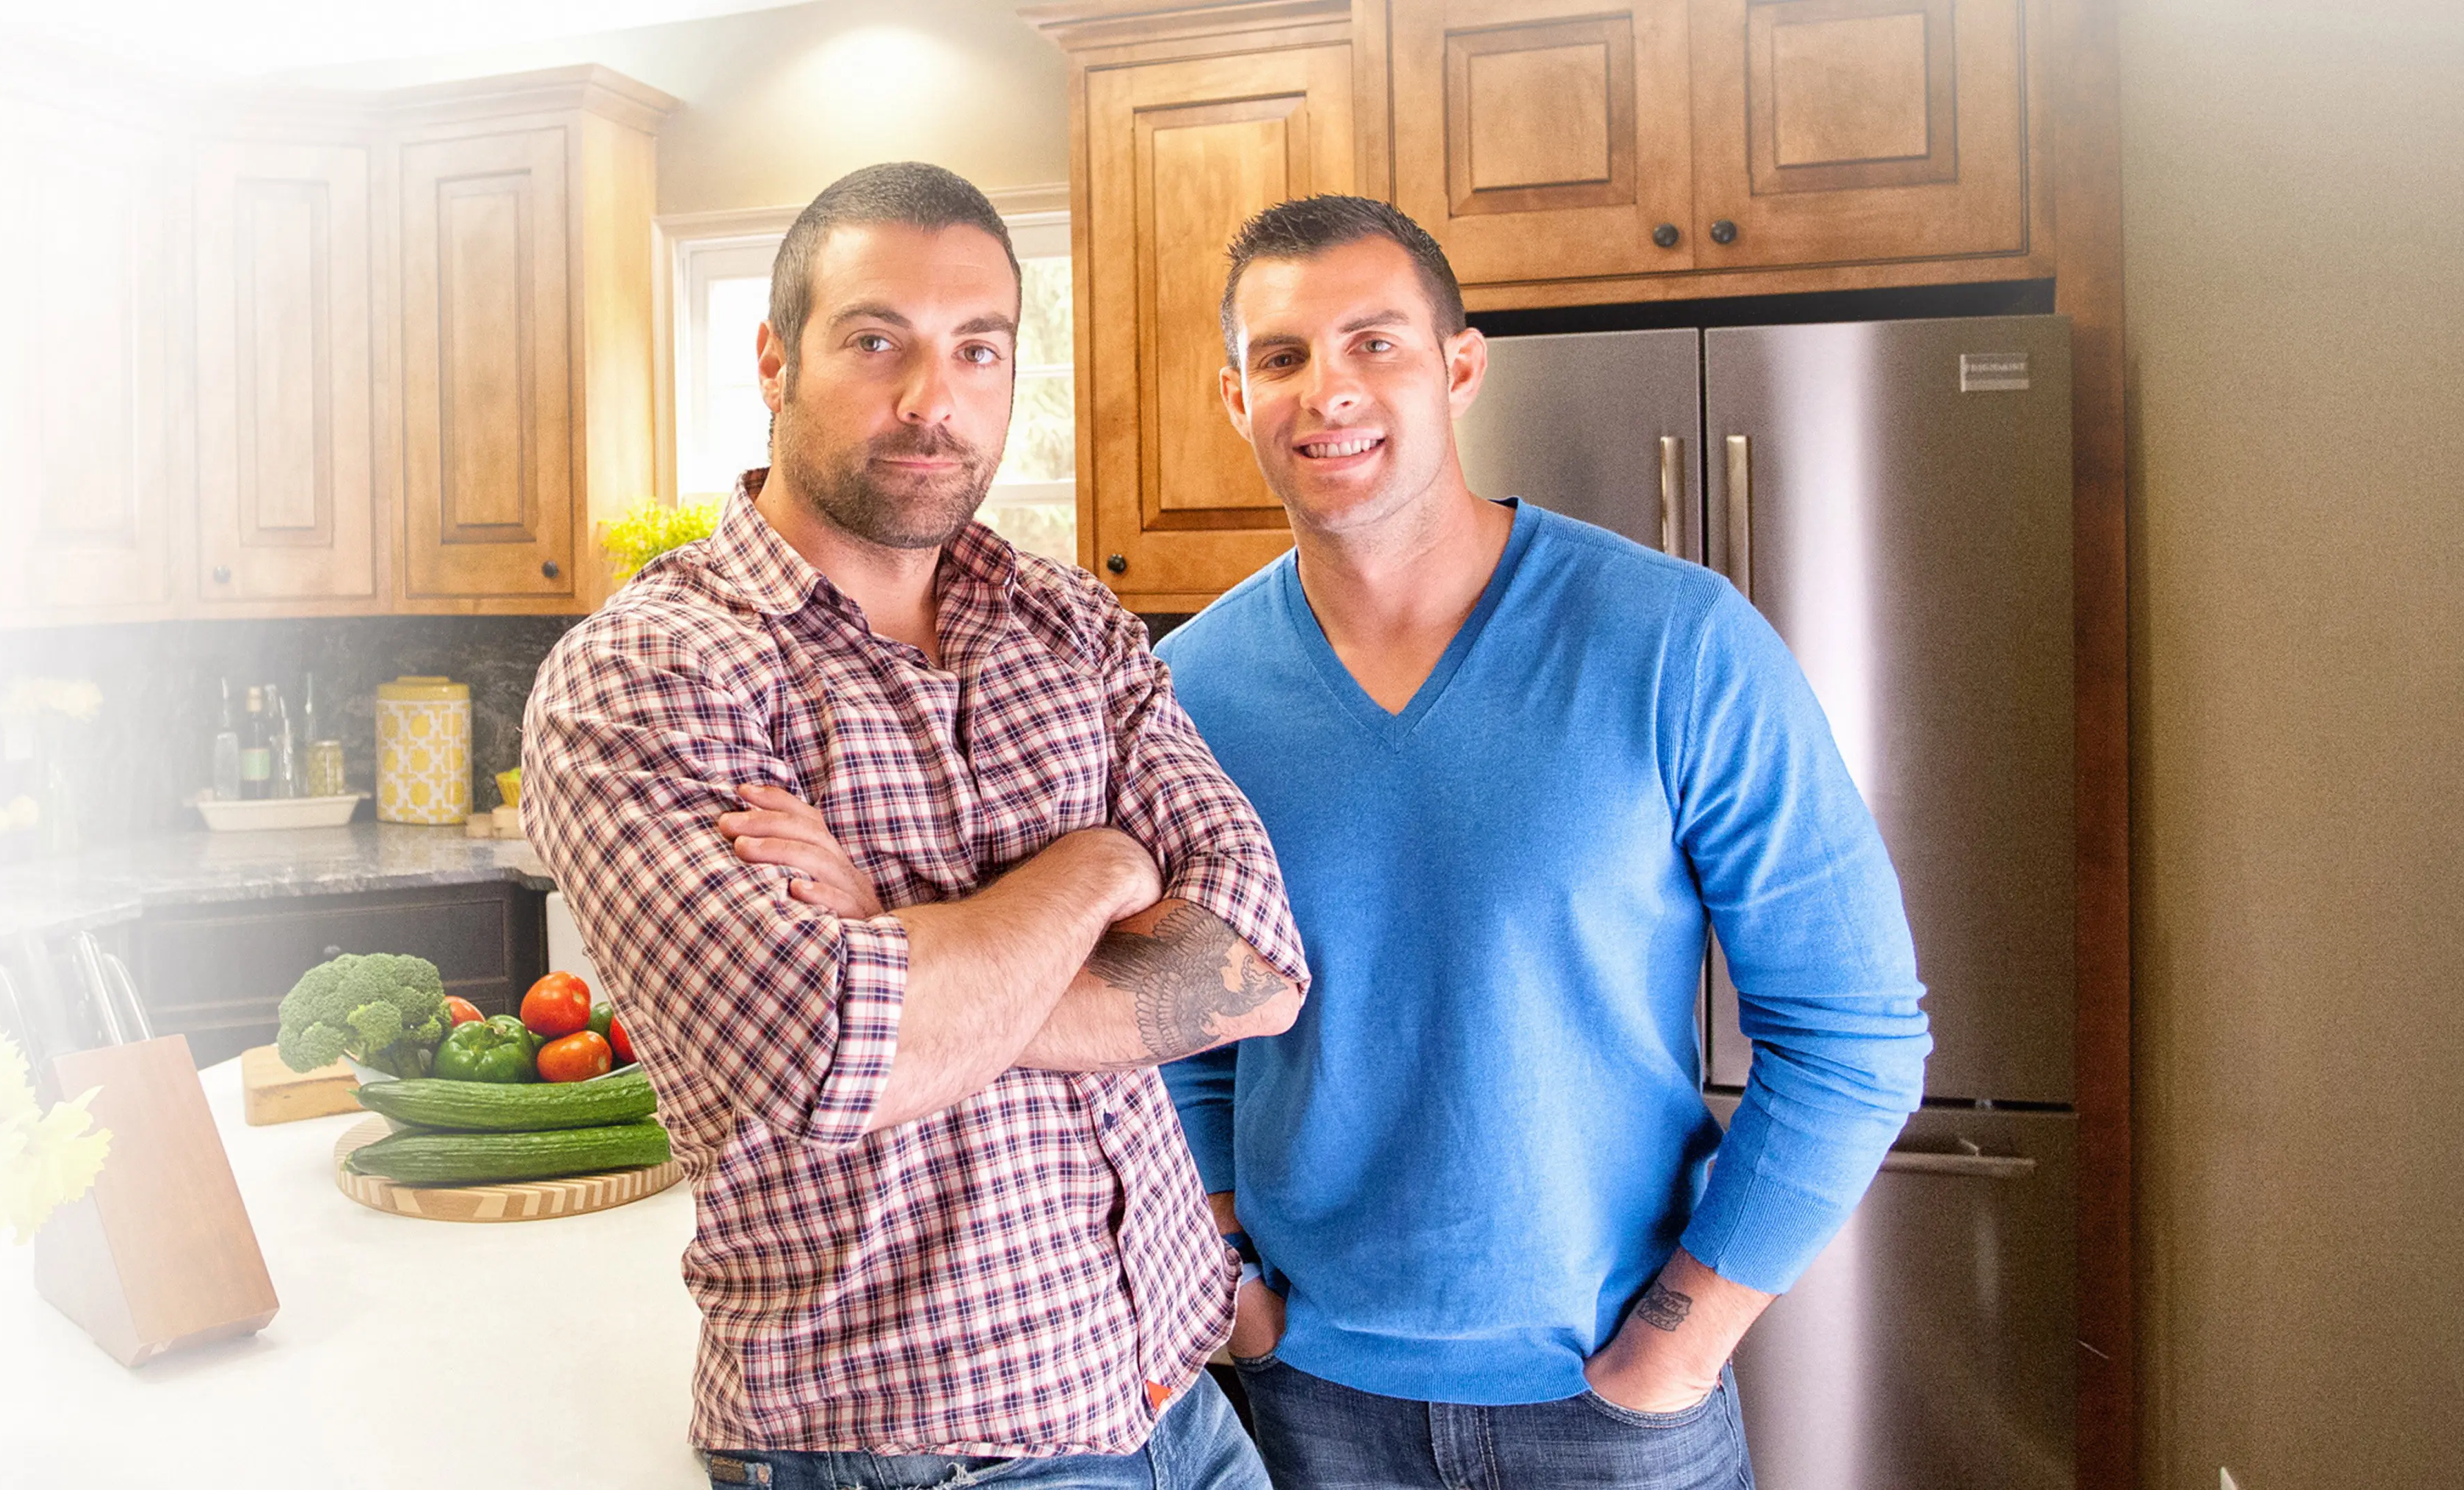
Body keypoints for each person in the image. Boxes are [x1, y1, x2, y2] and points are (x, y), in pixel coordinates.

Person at [520, 162, 1308, 1490]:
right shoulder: (649, 677)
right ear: (775, 358)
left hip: (1181, 1397)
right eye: (876, 339)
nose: (932, 400)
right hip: (916, 1454)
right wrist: (1100, 867)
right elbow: (843, 1059)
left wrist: (902, 946)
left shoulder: (1070, 624)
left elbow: (1256, 966)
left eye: (977, 348)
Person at [1156, 195, 1933, 1489]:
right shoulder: (1186, 690)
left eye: (1376, 343)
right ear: (1237, 399)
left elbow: (1856, 1034)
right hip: (1307, 1407)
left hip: (1613, 1407)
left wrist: (1679, 1342)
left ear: (1460, 368)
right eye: (1282, 357)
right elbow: (1181, 1039)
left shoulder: (1677, 643)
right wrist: (1231, 1271)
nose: (1327, 391)